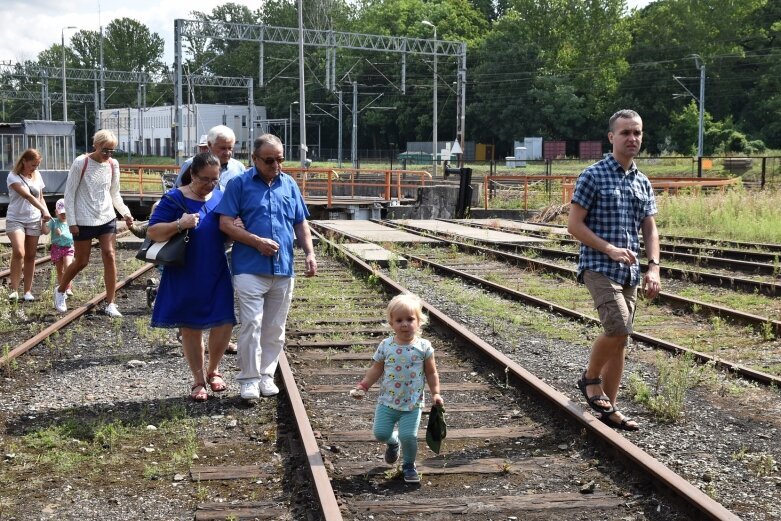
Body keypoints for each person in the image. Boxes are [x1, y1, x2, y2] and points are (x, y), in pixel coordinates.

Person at [567, 109, 661, 432]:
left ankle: (609, 409)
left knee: (620, 342)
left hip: (630, 273)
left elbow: (650, 230)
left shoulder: (642, 181)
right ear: (611, 137)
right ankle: (589, 378)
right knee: (619, 326)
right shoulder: (592, 175)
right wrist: (607, 248)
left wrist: (654, 268)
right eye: (625, 133)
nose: (632, 138)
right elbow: (573, 226)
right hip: (597, 265)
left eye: (637, 132)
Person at [216, 133, 317, 401]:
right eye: (269, 160)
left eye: (280, 160)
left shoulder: (289, 184)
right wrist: (256, 241)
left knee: (275, 327)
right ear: (255, 158)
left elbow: (300, 222)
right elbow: (225, 223)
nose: (276, 165)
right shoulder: (239, 184)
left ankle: (265, 375)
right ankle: (248, 379)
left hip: (283, 268)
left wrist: (309, 252)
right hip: (249, 266)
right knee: (252, 323)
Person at [148, 152, 236, 401]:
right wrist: (180, 224)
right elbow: (153, 231)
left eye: (215, 179)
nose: (210, 184)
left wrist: (234, 229)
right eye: (205, 179)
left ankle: (214, 370)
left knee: (224, 320)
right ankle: (198, 380)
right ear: (192, 175)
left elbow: (223, 232)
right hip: (185, 269)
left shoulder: (220, 197)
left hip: (215, 267)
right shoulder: (174, 198)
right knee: (191, 326)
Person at [350, 294, 444, 484]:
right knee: (381, 434)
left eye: (410, 319)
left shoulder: (424, 347)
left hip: (412, 403)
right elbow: (376, 369)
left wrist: (435, 393)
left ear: (419, 322)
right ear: (391, 323)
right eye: (399, 320)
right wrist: (363, 386)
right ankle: (393, 443)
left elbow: (431, 372)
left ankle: (409, 465)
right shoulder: (386, 345)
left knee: (408, 436)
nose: (404, 324)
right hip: (387, 402)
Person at [55, 129, 134, 317]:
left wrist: (125, 213)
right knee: (82, 261)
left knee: (110, 254)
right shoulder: (81, 163)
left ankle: (111, 303)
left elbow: (114, 193)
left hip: (106, 216)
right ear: (95, 146)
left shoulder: (113, 165)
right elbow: (70, 194)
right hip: (83, 219)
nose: (108, 155)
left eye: (112, 151)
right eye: (104, 150)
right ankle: (60, 290)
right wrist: (72, 222)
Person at [6, 148, 52, 301]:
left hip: (33, 219)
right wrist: (43, 210)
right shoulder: (13, 176)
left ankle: (27, 291)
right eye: (33, 165)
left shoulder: (37, 175)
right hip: (16, 218)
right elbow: (27, 196)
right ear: (24, 161)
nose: (35, 168)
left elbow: (40, 197)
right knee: (19, 252)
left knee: (31, 256)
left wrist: (45, 212)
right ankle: (14, 289)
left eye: (37, 165)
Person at [175, 125, 246, 191]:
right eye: (222, 148)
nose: (227, 152)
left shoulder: (238, 168)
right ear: (209, 144)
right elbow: (178, 191)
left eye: (230, 148)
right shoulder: (191, 164)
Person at [50, 199, 75, 297]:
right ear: (56, 212)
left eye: (65, 213)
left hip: (68, 247)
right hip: (56, 248)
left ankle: (68, 287)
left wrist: (62, 233)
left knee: (68, 266)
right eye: (61, 213)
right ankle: (62, 288)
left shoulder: (71, 222)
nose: (64, 215)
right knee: (59, 270)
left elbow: (72, 236)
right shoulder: (54, 222)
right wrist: (43, 222)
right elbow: (45, 231)